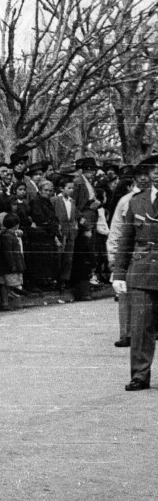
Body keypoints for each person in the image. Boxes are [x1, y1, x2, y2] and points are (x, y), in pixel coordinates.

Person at [111, 155, 158, 391]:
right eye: (153, 170)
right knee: (140, 328)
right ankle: (140, 375)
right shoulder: (136, 202)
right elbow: (126, 240)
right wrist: (118, 274)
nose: (157, 173)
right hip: (141, 273)